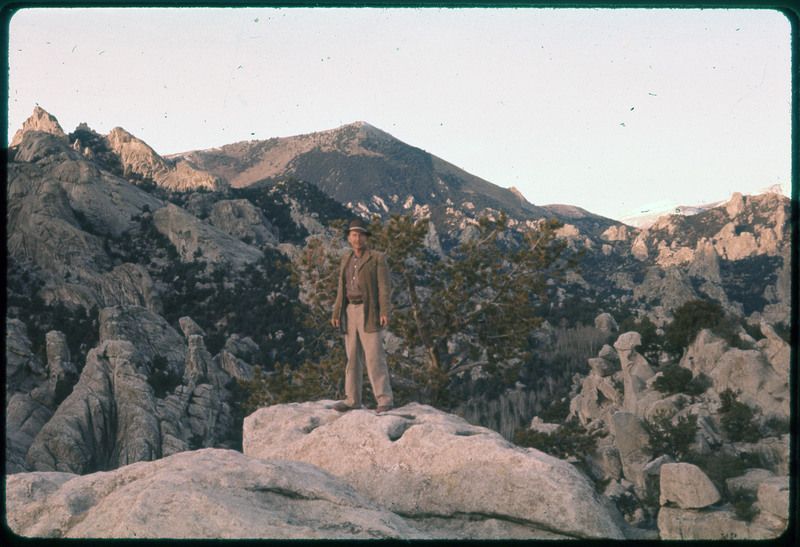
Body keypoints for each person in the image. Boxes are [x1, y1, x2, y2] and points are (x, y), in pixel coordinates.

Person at [331, 219, 394, 413]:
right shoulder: (346, 259)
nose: (357, 239)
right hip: (350, 310)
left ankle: (384, 400)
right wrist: (336, 312)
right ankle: (352, 400)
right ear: (349, 238)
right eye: (353, 235)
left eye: (361, 235)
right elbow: (341, 289)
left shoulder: (377, 258)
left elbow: (384, 288)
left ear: (366, 238)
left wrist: (384, 311)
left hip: (369, 311)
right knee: (352, 358)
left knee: (374, 356)